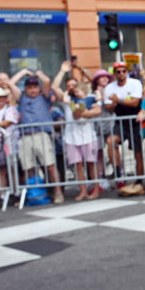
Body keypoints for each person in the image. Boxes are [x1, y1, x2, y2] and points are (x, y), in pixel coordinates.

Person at [59, 70, 102, 200]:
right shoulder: (70, 101)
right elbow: (74, 112)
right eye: (70, 87)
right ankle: (82, 190)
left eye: (75, 86)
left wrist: (83, 113)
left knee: (91, 163)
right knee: (77, 164)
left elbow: (97, 109)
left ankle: (95, 189)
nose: (73, 89)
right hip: (72, 137)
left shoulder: (90, 98)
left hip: (88, 135)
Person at [101, 61, 145, 184]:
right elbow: (109, 108)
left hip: (135, 121)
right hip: (120, 121)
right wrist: (115, 103)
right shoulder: (110, 87)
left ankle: (140, 180)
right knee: (111, 141)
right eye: (118, 72)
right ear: (114, 74)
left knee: (137, 152)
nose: (121, 74)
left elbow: (135, 102)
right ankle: (117, 170)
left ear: (127, 72)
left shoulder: (135, 83)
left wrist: (118, 100)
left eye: (123, 71)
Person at [0, 85, 19, 193]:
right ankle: (2, 194)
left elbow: (8, 122)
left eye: (2, 97)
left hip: (9, 144)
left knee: (12, 168)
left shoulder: (11, 109)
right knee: (1, 170)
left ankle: (16, 192)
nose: (0, 99)